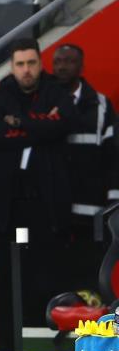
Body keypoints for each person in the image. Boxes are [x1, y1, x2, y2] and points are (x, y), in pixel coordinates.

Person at [0, 38, 78, 351]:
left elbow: (62, 124)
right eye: (20, 64)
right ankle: (8, 349)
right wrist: (40, 127)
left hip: (48, 207)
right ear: (12, 67)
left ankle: (49, 350)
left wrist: (20, 123)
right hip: (7, 207)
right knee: (7, 280)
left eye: (32, 63)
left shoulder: (57, 93)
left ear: (40, 63)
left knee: (46, 278)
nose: (26, 70)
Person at [52, 43, 118, 289]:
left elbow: (113, 158)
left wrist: (113, 204)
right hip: (52, 213)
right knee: (54, 279)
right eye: (58, 61)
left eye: (69, 61)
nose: (62, 67)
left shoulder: (101, 106)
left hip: (92, 214)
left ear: (81, 67)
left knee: (90, 278)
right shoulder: (43, 101)